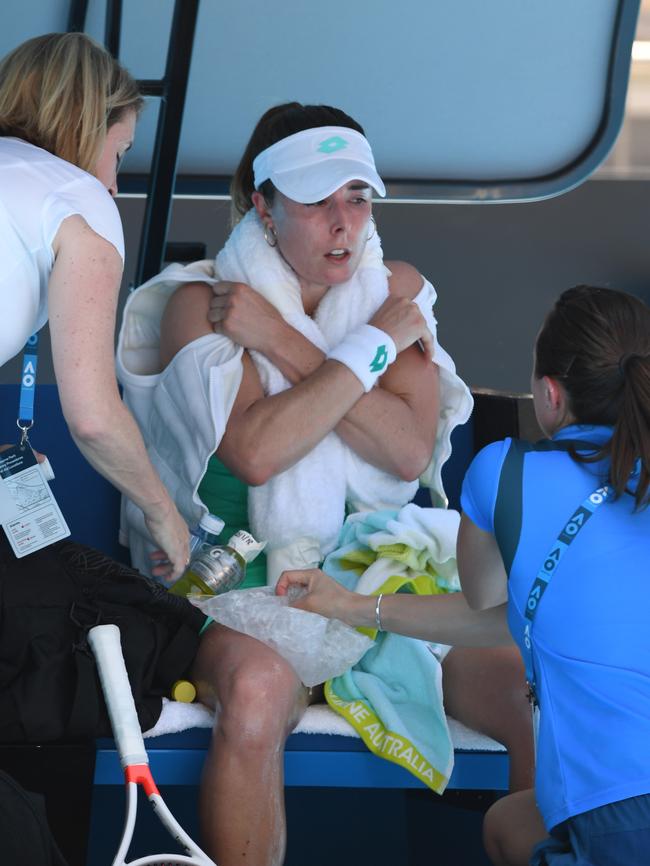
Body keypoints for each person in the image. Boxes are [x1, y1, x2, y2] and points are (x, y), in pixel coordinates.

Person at [118, 101, 534, 866]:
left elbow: (409, 452)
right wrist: (373, 353)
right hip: (237, 596)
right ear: (262, 206)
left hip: (381, 590)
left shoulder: (391, 298)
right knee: (255, 695)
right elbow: (256, 452)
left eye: (358, 197)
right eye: (316, 200)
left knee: (528, 690)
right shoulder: (195, 302)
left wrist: (287, 340)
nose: (344, 222)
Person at [277, 284, 650, 866]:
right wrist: (351, 606)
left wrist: (350, 601)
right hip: (622, 804)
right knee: (511, 820)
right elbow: (518, 615)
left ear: (549, 394)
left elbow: (485, 602)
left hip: (620, 809)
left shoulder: (507, 471)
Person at [0, 33, 205, 746]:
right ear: (85, 129)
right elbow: (92, 415)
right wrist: (163, 512)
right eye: (118, 155)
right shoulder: (76, 199)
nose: (115, 183)